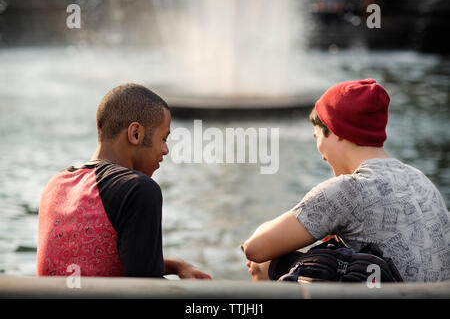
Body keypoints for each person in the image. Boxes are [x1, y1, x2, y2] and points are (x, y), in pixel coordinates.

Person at [243, 78, 450, 282]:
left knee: (265, 263)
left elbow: (255, 249)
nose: (322, 154)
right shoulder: (420, 179)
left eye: (317, 137)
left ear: (335, 131)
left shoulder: (348, 189)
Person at [37, 83, 211, 279]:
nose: (165, 150)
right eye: (163, 139)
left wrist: (175, 265)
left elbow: (92, 263)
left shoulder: (55, 184)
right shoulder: (138, 189)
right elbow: (146, 288)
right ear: (135, 133)